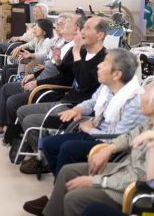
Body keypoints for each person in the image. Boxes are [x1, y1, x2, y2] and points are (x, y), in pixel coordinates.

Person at [23, 76, 154, 216]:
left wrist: (96, 181)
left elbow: (144, 179)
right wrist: (109, 148)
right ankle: (51, 211)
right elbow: (128, 137)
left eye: (146, 92)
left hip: (132, 191)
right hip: (125, 170)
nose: (141, 95)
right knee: (67, 171)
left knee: (74, 198)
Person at [41, 48, 146, 178]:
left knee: (67, 149)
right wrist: (77, 109)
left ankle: (62, 190)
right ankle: (61, 186)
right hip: (95, 132)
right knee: (49, 144)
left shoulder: (134, 102)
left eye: (105, 63)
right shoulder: (107, 87)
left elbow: (118, 139)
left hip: (108, 144)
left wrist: (91, 131)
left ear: (117, 74)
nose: (98, 65)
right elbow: (92, 102)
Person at [17, 17, 108, 153]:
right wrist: (59, 61)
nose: (82, 31)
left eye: (87, 28)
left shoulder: (103, 59)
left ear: (100, 35)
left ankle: (44, 157)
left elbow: (85, 85)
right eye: (82, 28)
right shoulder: (83, 52)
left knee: (30, 120)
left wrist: (76, 52)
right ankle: (39, 152)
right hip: (66, 101)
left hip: (77, 109)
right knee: (22, 111)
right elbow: (68, 75)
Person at [0, 18, 54, 136]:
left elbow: (43, 55)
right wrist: (19, 48)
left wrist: (32, 55)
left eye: (36, 27)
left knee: (8, 73)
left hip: (36, 73)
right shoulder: (38, 40)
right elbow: (29, 44)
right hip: (34, 70)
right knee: (7, 70)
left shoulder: (48, 41)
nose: (33, 29)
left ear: (44, 31)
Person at [80, 131, 154, 216]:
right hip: (129, 171)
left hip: (134, 187)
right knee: (93, 208)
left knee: (86, 205)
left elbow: (146, 176)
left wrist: (101, 181)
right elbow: (131, 136)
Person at [0, 3, 49, 75]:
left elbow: (31, 38)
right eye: (33, 11)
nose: (34, 13)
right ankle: (0, 67)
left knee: (0, 46)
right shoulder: (37, 23)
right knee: (2, 46)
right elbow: (30, 37)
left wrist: (19, 38)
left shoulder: (43, 25)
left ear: (43, 14)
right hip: (25, 43)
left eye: (36, 12)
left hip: (27, 46)